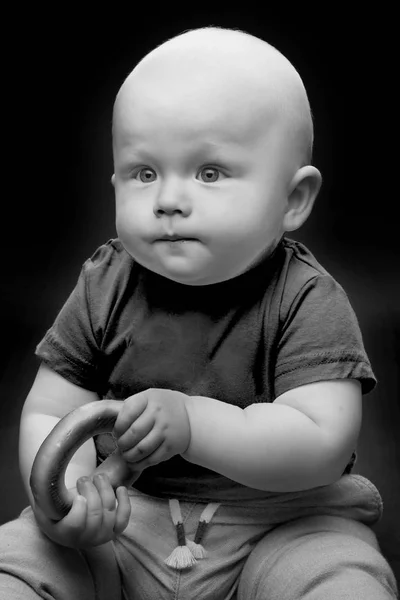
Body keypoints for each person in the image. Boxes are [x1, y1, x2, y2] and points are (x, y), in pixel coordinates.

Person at [0, 25, 397, 600]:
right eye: (144, 173)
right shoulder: (104, 283)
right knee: (21, 557)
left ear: (293, 200)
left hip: (278, 521)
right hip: (125, 521)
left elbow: (321, 442)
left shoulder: (305, 297)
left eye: (209, 173)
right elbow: (51, 411)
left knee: (336, 572)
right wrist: (69, 495)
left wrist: (193, 424)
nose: (168, 199)